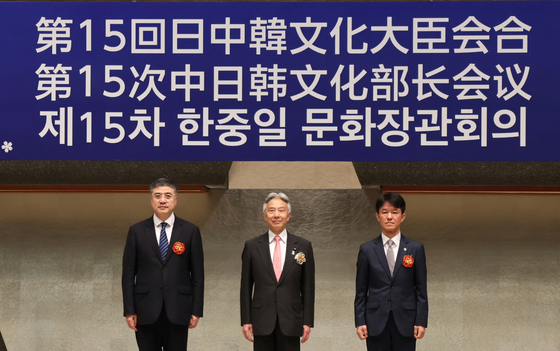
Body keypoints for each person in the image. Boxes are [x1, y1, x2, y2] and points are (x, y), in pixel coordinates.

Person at [122, 178, 204, 351]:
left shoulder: (190, 231)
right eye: (157, 196)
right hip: (145, 310)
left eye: (168, 195)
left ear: (176, 199)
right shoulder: (137, 231)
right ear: (151, 199)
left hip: (179, 309)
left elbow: (197, 275)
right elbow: (128, 274)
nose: (163, 200)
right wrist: (129, 310)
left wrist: (196, 310)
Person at [240, 193, 315, 351]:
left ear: (289, 215)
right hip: (261, 319)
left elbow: (308, 287)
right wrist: (246, 320)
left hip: (292, 319)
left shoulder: (303, 246)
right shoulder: (252, 246)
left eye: (281, 210)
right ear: (264, 215)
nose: (276, 215)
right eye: (271, 210)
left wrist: (307, 321)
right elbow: (245, 287)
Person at [354, 192, 428, 351]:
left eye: (395, 212)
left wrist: (421, 321)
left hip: (406, 321)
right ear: (377, 216)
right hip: (375, 320)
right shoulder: (367, 250)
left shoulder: (416, 249)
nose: (389, 217)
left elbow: (421, 290)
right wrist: (360, 321)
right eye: (384, 212)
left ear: (403, 216)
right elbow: (361, 291)